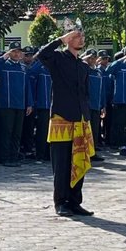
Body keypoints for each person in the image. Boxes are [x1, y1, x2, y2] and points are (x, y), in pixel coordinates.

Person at [38, 25, 95, 218]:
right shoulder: (58, 59)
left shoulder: (83, 66)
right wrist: (61, 39)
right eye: (77, 36)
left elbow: (85, 93)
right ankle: (61, 202)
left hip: (81, 119)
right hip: (62, 118)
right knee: (62, 163)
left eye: (82, 36)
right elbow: (41, 54)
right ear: (69, 39)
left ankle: (74, 202)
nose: (81, 39)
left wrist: (87, 115)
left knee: (78, 160)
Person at [0, 45, 31, 166]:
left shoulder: (23, 67)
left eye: (18, 52)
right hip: (6, 104)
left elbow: (27, 86)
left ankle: (14, 156)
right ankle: (5, 157)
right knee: (6, 132)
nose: (16, 54)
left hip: (20, 105)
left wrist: (29, 103)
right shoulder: (3, 65)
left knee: (17, 133)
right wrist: (4, 57)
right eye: (14, 51)